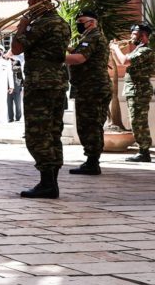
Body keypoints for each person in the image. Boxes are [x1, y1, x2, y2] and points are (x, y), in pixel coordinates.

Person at [11, 0, 70, 198]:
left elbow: (16, 49)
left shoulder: (41, 24)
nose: (28, 7)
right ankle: (52, 182)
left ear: (37, 1)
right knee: (54, 132)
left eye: (30, 3)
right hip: (58, 83)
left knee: (37, 133)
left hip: (39, 83)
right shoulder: (63, 23)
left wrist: (22, 26)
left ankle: (47, 183)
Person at [65, 9, 110, 175]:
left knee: (90, 125)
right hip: (91, 87)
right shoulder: (90, 37)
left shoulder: (93, 37)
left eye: (81, 21)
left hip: (93, 88)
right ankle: (92, 161)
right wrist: (69, 49)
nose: (78, 24)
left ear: (91, 22)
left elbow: (79, 59)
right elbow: (79, 54)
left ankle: (92, 163)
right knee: (91, 124)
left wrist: (54, 55)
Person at [110, 23, 155, 162]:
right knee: (135, 121)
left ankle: (144, 151)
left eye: (134, 34)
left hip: (139, 91)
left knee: (138, 122)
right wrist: (113, 51)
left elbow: (125, 61)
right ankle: (143, 151)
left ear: (143, 36)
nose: (131, 37)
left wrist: (116, 48)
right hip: (134, 90)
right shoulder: (137, 50)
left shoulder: (145, 51)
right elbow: (120, 61)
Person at [8, 57, 24, 122]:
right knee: (9, 104)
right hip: (8, 88)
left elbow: (20, 76)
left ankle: (18, 117)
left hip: (17, 88)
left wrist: (20, 87)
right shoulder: (6, 65)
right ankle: (10, 118)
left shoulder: (17, 65)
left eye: (12, 60)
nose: (11, 61)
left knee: (18, 104)